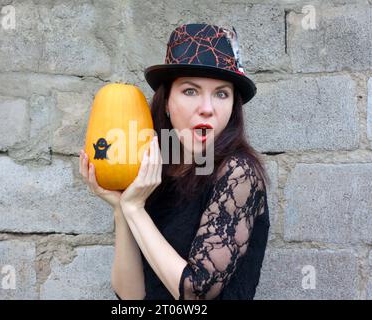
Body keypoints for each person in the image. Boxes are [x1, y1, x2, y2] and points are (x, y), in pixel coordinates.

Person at [79, 23, 271, 300]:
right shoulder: (156, 172)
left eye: (221, 93)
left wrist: (135, 210)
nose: (207, 108)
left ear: (233, 107)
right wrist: (122, 207)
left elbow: (197, 293)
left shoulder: (238, 173)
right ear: (167, 102)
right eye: (190, 91)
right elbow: (131, 297)